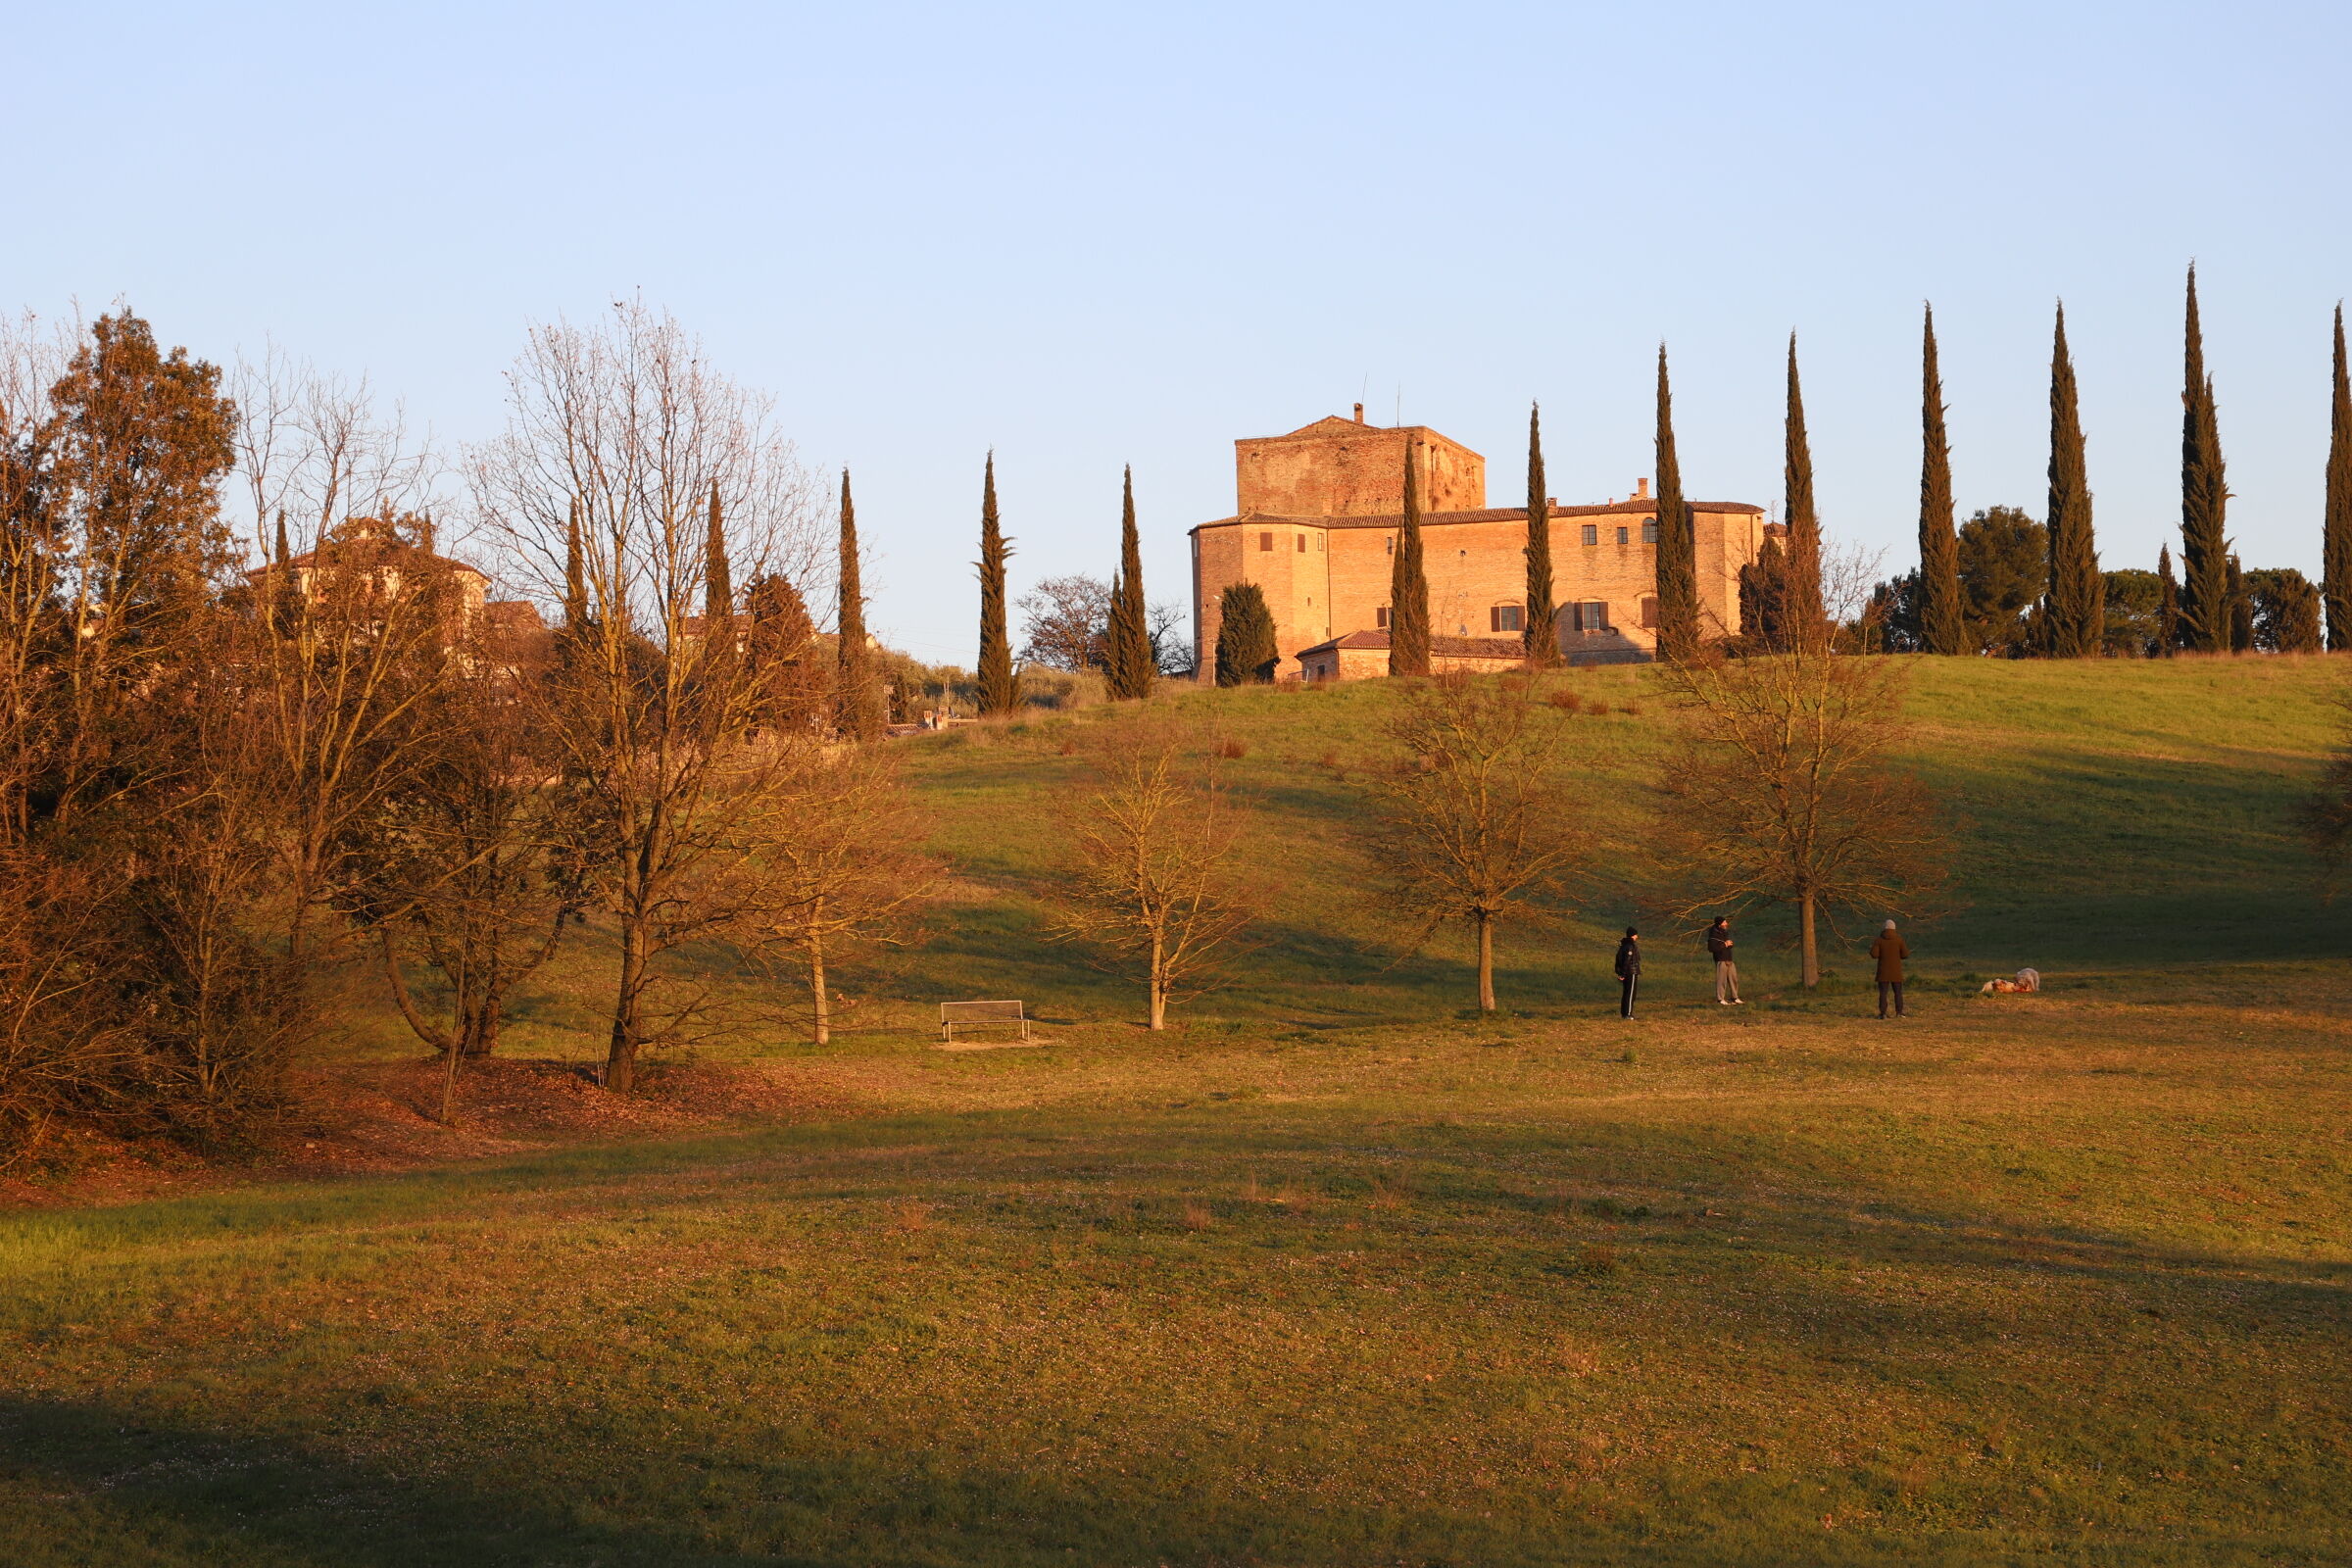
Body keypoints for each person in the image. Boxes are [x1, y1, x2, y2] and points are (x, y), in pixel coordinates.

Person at [1870, 918, 1909, 1018]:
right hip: (1896, 972)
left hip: (1883, 971)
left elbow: (1874, 955)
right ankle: (1899, 1013)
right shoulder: (1899, 940)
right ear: (1894, 928)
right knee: (1898, 993)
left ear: (1884, 928)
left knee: (1883, 993)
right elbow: (1905, 954)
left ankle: (1883, 1014)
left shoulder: (1879, 940)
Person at [1706, 916, 1742, 1005]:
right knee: (1721, 980)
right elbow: (1711, 948)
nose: (1726, 924)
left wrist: (1729, 944)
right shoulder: (1713, 935)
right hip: (1720, 960)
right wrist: (1725, 944)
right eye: (1724, 922)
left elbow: (1726, 945)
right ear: (1719, 924)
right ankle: (1720, 999)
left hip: (1729, 959)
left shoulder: (1724, 933)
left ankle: (1735, 998)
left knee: (1734, 979)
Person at [1614, 926, 1642, 1018]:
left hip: (1626, 972)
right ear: (1632, 935)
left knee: (1626, 993)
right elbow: (1627, 961)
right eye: (1636, 934)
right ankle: (1628, 1014)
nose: (1637, 936)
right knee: (1630, 994)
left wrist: (1621, 973)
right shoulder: (1630, 946)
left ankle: (1624, 1013)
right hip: (1631, 972)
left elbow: (1619, 961)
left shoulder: (1624, 945)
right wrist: (1623, 974)